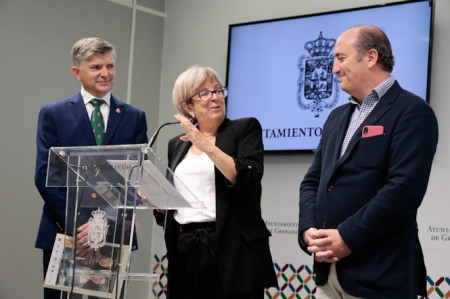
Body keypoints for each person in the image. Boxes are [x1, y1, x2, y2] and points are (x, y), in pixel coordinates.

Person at [298, 24, 439, 299]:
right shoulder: (336, 117)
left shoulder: (413, 112)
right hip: (328, 274)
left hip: (380, 275)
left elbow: (404, 190)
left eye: (340, 58)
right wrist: (308, 231)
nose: (334, 70)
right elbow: (313, 182)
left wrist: (347, 238)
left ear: (371, 57)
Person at [35, 37, 148, 299]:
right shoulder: (53, 114)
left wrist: (103, 224)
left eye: (110, 66)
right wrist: (84, 227)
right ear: (77, 72)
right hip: (66, 230)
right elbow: (44, 175)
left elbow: (136, 177)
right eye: (96, 67)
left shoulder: (134, 117)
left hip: (114, 233)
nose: (106, 73)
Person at [153, 66, 278, 299]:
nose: (215, 97)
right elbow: (179, 200)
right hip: (185, 248)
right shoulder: (176, 144)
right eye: (204, 93)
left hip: (231, 250)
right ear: (187, 106)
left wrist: (206, 144)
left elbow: (246, 177)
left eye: (218, 90)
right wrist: (159, 203)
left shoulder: (244, 129)